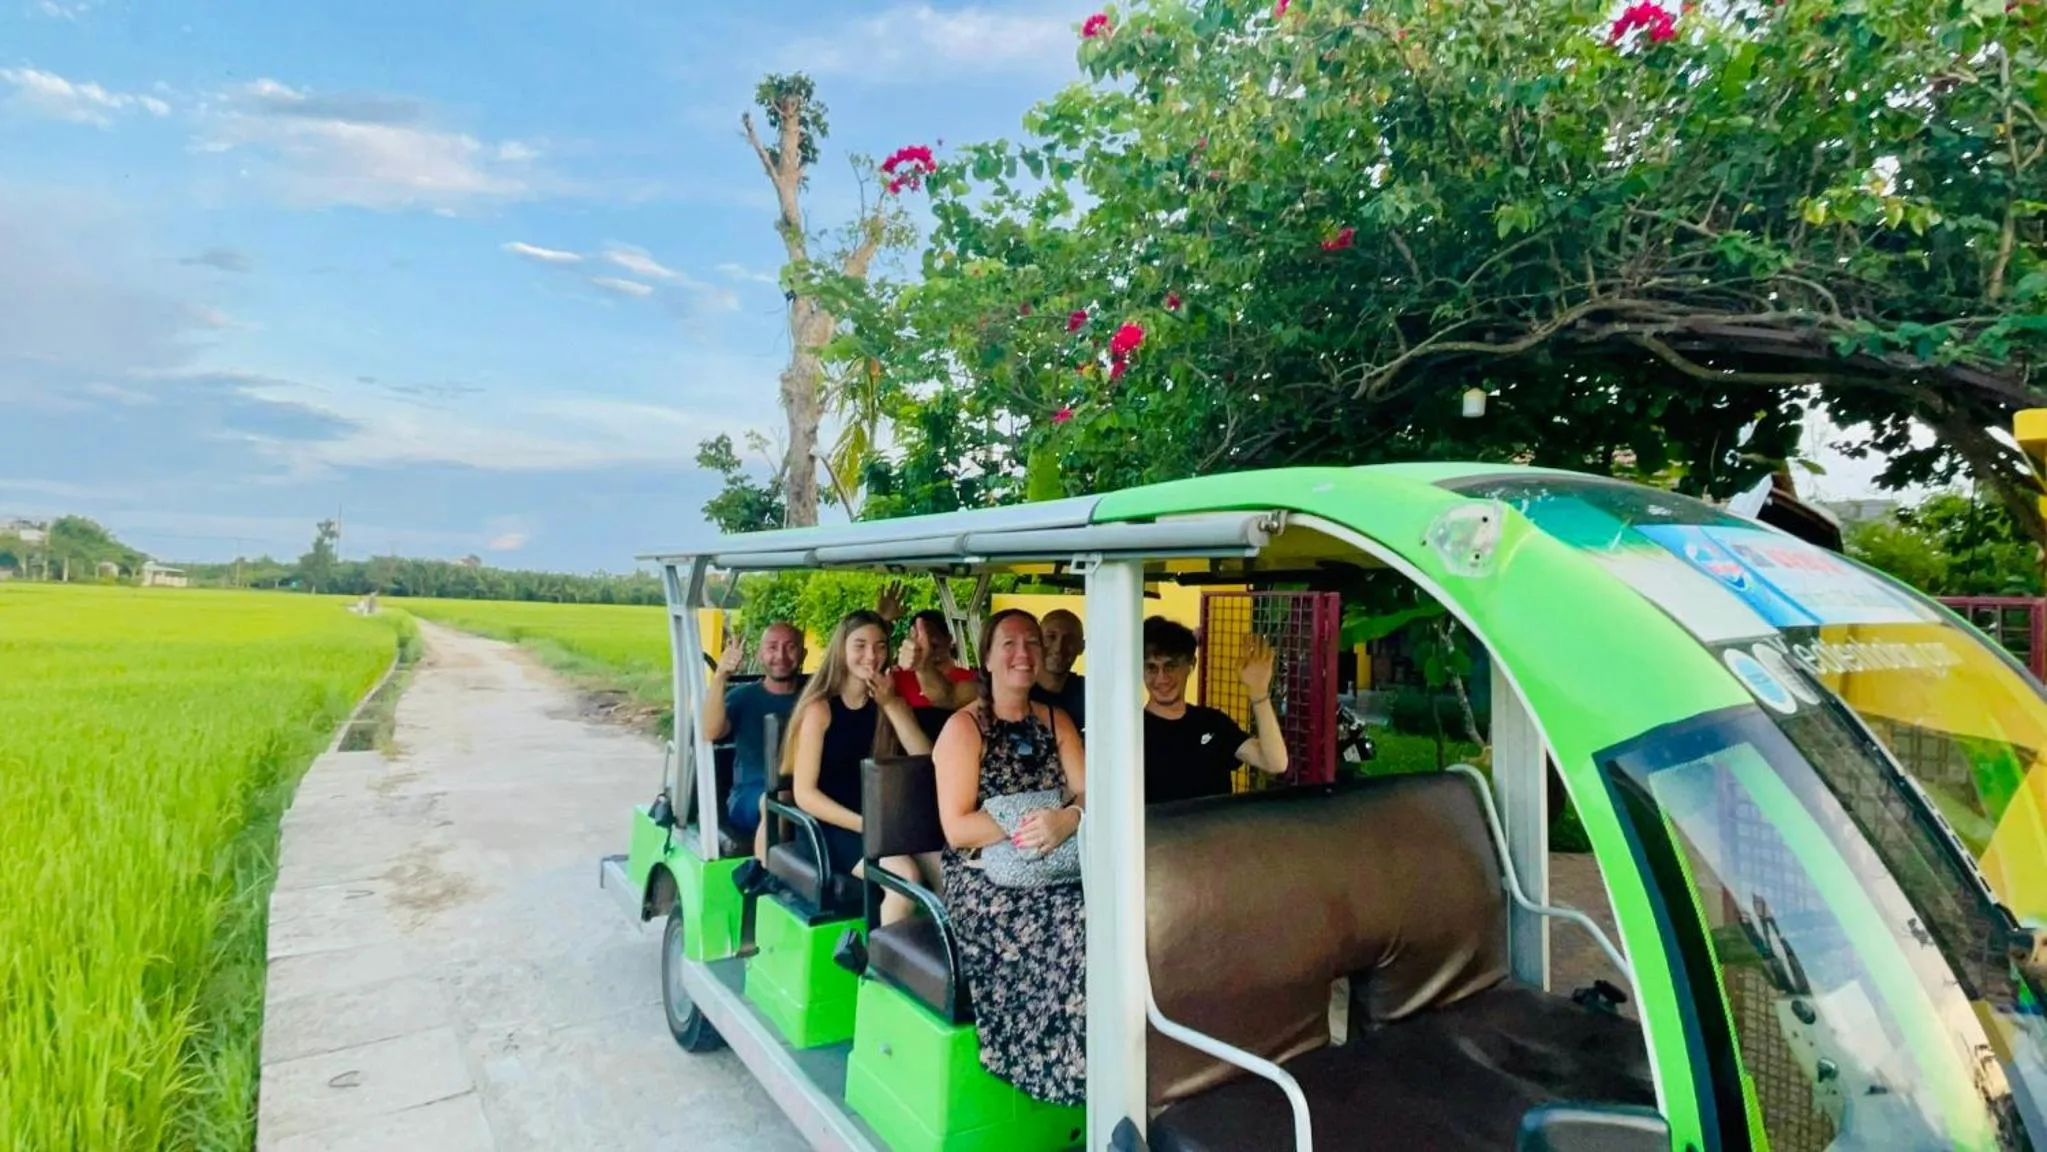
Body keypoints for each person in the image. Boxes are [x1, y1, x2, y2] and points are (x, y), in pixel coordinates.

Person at [933, 609, 1087, 1107]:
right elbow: (958, 828)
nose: (1023, 654)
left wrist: (1068, 819)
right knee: (1075, 927)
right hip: (984, 878)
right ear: (987, 656)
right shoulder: (965, 728)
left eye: (1032, 643)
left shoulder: (1055, 719)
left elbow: (1088, 793)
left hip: (1058, 862)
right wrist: (1036, 816)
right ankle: (1054, 1067)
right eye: (1009, 643)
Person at [781, 610, 937, 925]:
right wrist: (865, 824)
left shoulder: (887, 701)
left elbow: (927, 758)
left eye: (880, 646)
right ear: (842, 650)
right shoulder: (819, 709)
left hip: (879, 820)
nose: (872, 655)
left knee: (946, 869)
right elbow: (805, 795)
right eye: (860, 645)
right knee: (905, 878)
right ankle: (879, 971)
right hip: (828, 826)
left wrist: (892, 704)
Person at [1141, 616, 1288, 804]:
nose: (1161, 678)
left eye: (1171, 666)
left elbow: (1275, 762)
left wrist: (1258, 692)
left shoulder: (1212, 722)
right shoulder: (1131, 732)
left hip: (1218, 833)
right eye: (1151, 668)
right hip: (1158, 834)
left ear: (1191, 665)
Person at [702, 621, 807, 859]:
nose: (780, 655)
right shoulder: (743, 697)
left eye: (790, 647)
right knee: (779, 798)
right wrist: (720, 677)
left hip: (807, 790)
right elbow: (710, 732)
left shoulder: (813, 698)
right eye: (772, 647)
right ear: (760, 654)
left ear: (803, 654)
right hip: (750, 795)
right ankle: (766, 880)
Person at [893, 609, 981, 710]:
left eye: (933, 646)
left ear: (949, 639)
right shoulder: (898, 679)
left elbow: (948, 698)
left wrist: (923, 667)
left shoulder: (971, 680)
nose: (928, 654)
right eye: (919, 649)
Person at [1030, 608, 1086, 732]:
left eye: (1069, 640)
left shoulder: (1090, 693)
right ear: (1036, 641)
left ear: (1081, 647)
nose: (1058, 647)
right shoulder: (1016, 689)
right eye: (1051, 637)